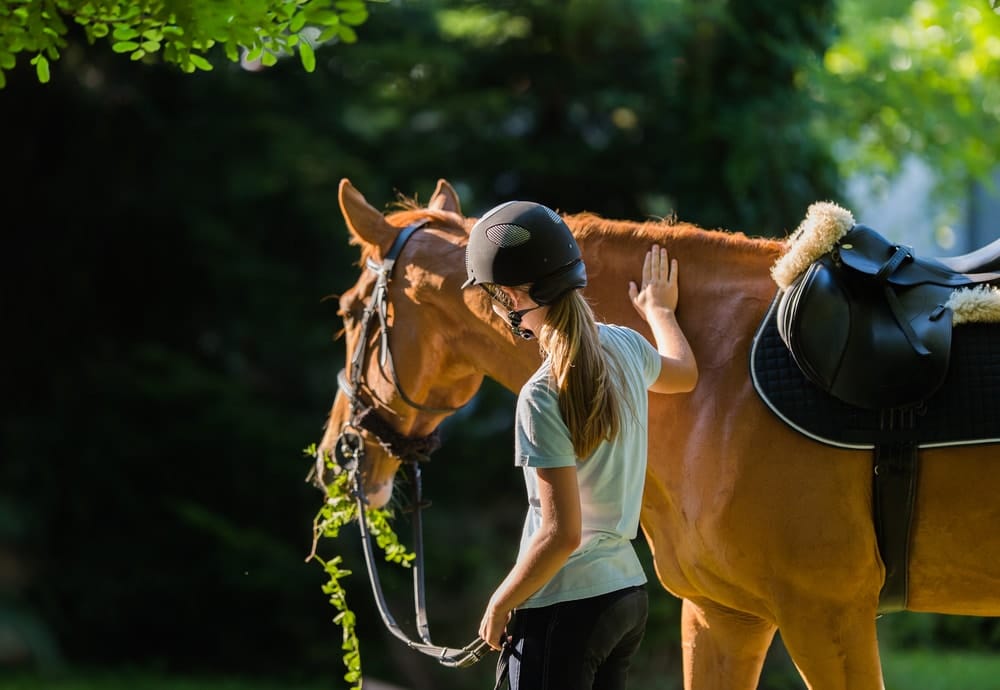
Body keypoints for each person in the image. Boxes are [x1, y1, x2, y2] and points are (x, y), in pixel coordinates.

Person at [461, 200, 699, 690]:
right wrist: (660, 313)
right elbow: (685, 375)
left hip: (563, 607)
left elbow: (561, 533)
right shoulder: (626, 346)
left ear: (510, 296)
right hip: (624, 597)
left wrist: (501, 601)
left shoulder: (541, 395)